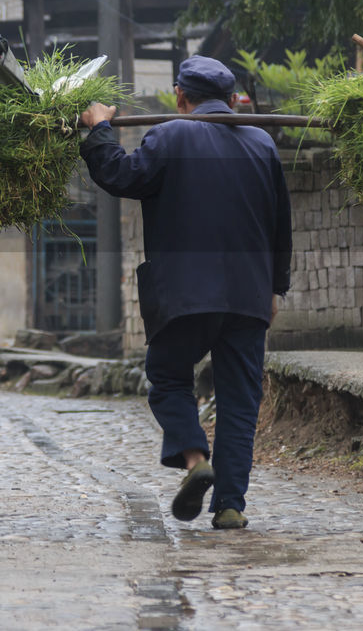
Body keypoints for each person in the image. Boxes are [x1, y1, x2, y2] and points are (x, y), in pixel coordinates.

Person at [79, 55, 292, 529]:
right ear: (232, 98)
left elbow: (120, 175)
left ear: (180, 96)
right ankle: (230, 506)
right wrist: (275, 289)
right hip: (248, 298)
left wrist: (97, 129)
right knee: (240, 401)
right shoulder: (262, 144)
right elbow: (282, 228)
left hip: (185, 296)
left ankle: (197, 463)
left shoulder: (171, 135)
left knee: (169, 378)